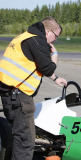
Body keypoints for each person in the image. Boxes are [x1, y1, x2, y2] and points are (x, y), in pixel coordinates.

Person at [0, 17, 67, 160]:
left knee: (18, 136)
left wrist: (55, 78)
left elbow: (34, 63)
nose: (55, 40)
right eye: (56, 36)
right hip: (20, 96)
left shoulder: (25, 36)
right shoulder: (38, 40)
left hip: (9, 94)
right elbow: (47, 67)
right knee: (25, 141)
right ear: (48, 31)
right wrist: (54, 56)